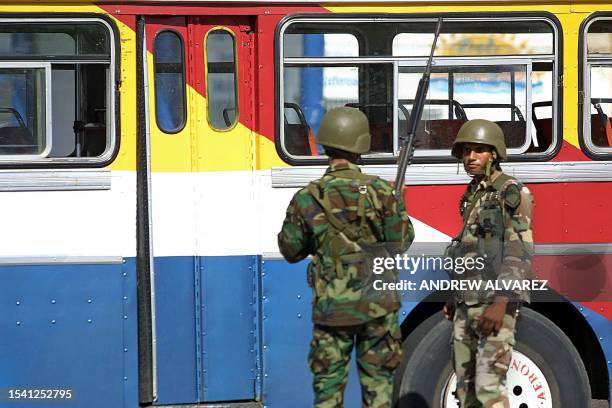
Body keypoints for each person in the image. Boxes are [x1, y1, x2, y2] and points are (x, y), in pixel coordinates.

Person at [277, 107, 414, 407]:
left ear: (326, 144)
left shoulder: (307, 196)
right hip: (378, 308)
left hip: (332, 309)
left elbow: (290, 250)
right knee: (378, 391)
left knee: (328, 394)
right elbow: (400, 242)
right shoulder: (382, 192)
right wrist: (397, 204)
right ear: (362, 144)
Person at [443, 119, 534, 408]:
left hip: (494, 303)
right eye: (467, 151)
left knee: (489, 389)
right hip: (467, 301)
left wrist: (502, 301)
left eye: (479, 150)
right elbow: (469, 248)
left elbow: (519, 251)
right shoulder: (474, 193)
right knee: (465, 389)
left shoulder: (511, 192)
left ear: (494, 153)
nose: (470, 157)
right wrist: (452, 296)